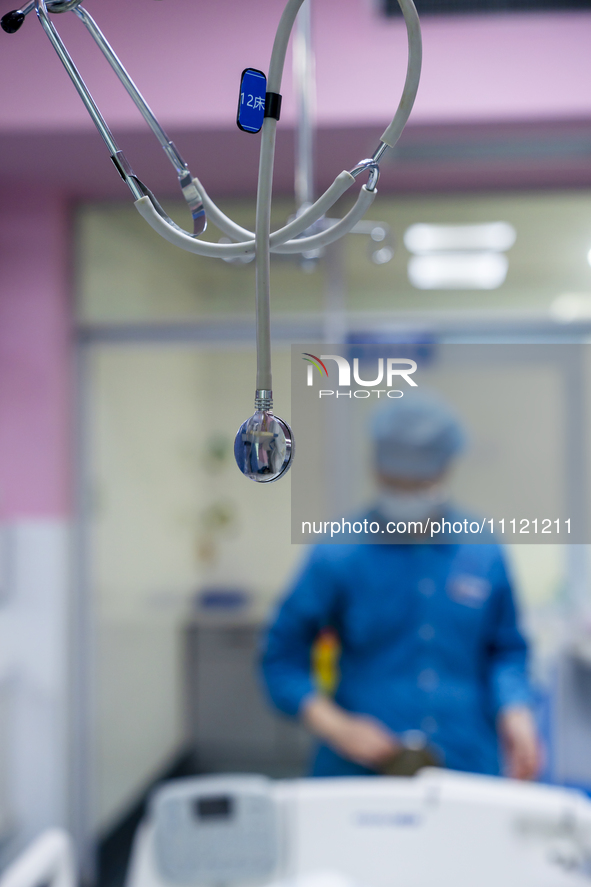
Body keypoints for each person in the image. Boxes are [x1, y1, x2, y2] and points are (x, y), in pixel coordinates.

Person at [260, 394, 541, 779]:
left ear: (445, 470)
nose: (406, 493)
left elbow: (507, 649)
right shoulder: (340, 552)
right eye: (396, 482)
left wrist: (516, 710)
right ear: (375, 471)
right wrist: (335, 726)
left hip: (467, 759)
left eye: (419, 482)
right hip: (358, 768)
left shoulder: (482, 549)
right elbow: (281, 657)